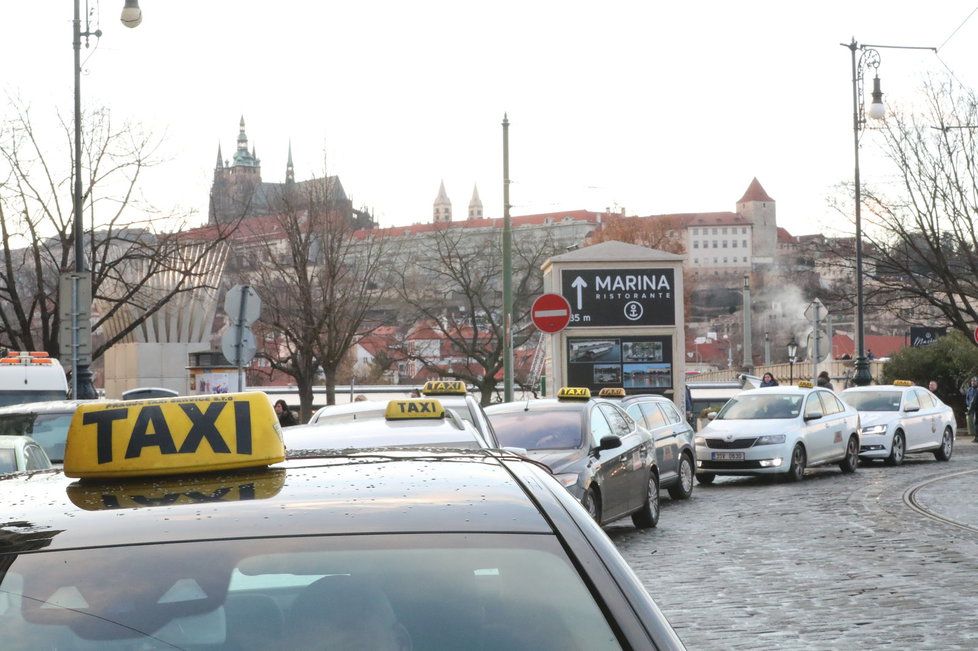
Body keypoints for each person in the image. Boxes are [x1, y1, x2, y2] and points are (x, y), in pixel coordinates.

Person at [966, 377, 978, 442]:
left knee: (976, 423)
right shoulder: (969, 390)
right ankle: (976, 437)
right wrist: (968, 405)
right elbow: (967, 399)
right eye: (972, 381)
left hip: (976, 408)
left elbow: (975, 401)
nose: (973, 382)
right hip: (971, 408)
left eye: (975, 381)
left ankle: (976, 438)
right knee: (974, 423)